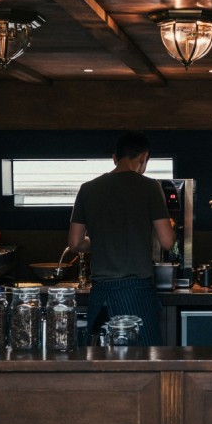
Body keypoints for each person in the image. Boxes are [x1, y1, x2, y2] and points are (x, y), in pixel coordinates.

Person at [68, 132, 175, 345]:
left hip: (101, 295)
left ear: (114, 158)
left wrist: (100, 242)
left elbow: (75, 243)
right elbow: (167, 242)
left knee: (103, 361)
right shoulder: (149, 187)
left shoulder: (88, 189)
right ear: (144, 157)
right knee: (143, 361)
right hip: (137, 292)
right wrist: (170, 227)